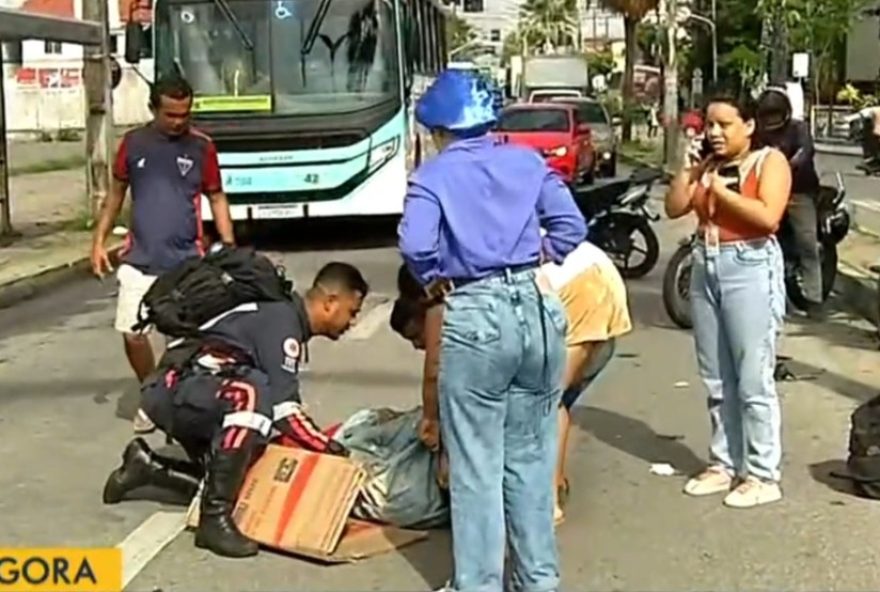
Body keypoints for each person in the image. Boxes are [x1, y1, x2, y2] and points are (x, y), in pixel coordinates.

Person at [398, 69, 586, 591]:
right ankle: (538, 582)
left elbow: (416, 246)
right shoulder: (528, 162)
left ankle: (478, 585)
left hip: (476, 311)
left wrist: (438, 279)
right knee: (530, 456)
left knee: (477, 468)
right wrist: (537, 256)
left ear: (437, 128)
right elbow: (571, 226)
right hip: (535, 308)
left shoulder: (433, 177)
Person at [102, 262, 368, 558]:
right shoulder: (282, 322)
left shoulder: (280, 316)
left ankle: (148, 468)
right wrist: (334, 451)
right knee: (250, 396)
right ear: (330, 303)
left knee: (239, 474)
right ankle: (213, 521)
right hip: (175, 388)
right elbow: (286, 413)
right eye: (352, 311)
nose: (353, 322)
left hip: (192, 390)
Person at [391, 238, 632, 523]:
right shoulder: (466, 255)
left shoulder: (441, 293)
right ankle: (551, 486)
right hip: (587, 276)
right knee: (545, 398)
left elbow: (435, 369)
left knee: (545, 401)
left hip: (580, 286)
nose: (421, 345)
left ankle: (548, 502)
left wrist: (432, 422)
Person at [665, 93, 791, 508]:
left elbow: (768, 217)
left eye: (725, 125)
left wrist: (722, 190)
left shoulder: (768, 161)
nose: (715, 133)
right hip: (707, 263)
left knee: (752, 376)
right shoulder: (709, 166)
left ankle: (761, 472)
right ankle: (724, 462)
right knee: (717, 376)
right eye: (710, 126)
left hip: (749, 264)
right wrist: (690, 171)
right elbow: (675, 207)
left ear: (749, 126)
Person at [90, 76, 235, 434]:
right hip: (139, 259)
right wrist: (98, 241)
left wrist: (229, 249)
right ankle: (151, 390)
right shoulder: (133, 144)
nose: (178, 121)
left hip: (186, 261)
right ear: (153, 109)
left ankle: (174, 401)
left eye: (184, 114)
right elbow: (116, 194)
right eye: (170, 114)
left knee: (183, 342)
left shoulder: (202, 147)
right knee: (132, 333)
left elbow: (216, 197)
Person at [756, 87, 824, 319]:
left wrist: (786, 166)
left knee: (807, 244)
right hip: (766, 191)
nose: (771, 120)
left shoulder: (798, 129)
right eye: (767, 116)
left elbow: (806, 151)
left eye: (775, 115)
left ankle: (814, 299)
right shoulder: (758, 132)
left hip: (798, 191)